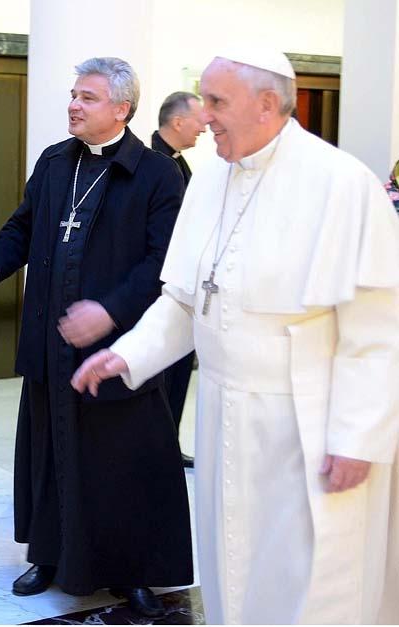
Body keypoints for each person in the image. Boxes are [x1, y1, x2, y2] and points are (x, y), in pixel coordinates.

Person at [73, 51, 399, 624]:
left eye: (217, 103)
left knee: (308, 577)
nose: (205, 118)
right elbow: (184, 299)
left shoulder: (341, 184)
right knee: (233, 566)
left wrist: (359, 435)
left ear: (267, 104)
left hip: (308, 425)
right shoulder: (211, 178)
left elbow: (377, 330)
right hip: (224, 414)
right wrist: (126, 353)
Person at [0, 57, 191, 618]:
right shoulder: (57, 162)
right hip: (52, 344)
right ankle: (51, 555)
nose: (73, 105)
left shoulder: (155, 175)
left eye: (87, 97)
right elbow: (23, 226)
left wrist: (109, 312)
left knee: (120, 463)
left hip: (118, 350)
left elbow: (163, 262)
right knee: (52, 451)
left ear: (121, 109)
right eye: (73, 94)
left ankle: (129, 571)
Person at [151, 91, 207, 468]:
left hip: (184, 283)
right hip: (161, 286)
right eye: (198, 118)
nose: (204, 125)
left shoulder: (179, 162)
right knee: (162, 372)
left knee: (179, 371)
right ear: (177, 121)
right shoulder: (155, 163)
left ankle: (167, 441)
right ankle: (157, 445)